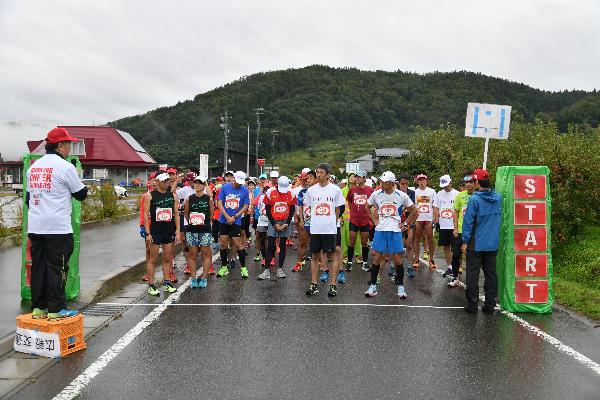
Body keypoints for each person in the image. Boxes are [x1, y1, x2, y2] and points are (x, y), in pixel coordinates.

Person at [26, 128, 89, 320]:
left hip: (36, 227)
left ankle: (39, 308)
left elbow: (28, 198)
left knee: (39, 267)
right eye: (69, 143)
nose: (71, 147)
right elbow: (81, 194)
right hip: (58, 228)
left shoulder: (33, 168)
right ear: (60, 145)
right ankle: (56, 310)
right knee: (58, 268)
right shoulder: (65, 167)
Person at [364, 171, 417, 298]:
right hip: (381, 230)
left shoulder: (401, 195)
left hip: (395, 231)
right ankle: (372, 286)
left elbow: (415, 211)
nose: (381, 184)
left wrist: (406, 224)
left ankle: (400, 287)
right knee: (377, 258)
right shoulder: (376, 194)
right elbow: (367, 207)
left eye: (384, 182)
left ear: (392, 183)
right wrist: (375, 220)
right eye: (381, 182)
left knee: (398, 259)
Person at [461, 169, 502, 314]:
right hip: (492, 243)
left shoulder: (475, 199)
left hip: (476, 242)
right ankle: (490, 305)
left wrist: (464, 241)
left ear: (477, 182)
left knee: (473, 274)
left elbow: (468, 222)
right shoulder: (498, 197)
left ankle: (472, 306)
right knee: (491, 274)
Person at [304, 163, 345, 297]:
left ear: (328, 175)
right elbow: (309, 207)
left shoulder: (335, 190)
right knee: (315, 256)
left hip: (330, 229)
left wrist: (333, 221)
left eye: (321, 172)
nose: (319, 174)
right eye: (317, 172)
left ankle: (333, 285)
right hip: (316, 229)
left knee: (332, 256)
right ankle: (314, 284)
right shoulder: (311, 190)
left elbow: (339, 209)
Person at [143, 173, 181, 296]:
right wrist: (148, 233)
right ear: (157, 182)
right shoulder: (150, 196)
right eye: (164, 181)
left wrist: (178, 231)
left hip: (168, 230)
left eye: (168, 181)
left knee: (167, 257)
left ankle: (167, 282)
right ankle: (151, 285)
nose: (166, 183)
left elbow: (176, 214)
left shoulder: (173, 196)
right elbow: (145, 215)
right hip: (155, 231)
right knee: (153, 258)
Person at [258, 176, 297, 280]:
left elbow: (292, 209)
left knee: (283, 245)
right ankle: (266, 270)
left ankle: (280, 269)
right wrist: (274, 223)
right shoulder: (270, 192)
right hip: (273, 221)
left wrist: (287, 223)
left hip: (285, 221)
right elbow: (267, 209)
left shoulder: (292, 193)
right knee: (270, 245)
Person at [216, 171, 250, 279]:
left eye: (241, 182)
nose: (238, 184)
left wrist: (234, 217)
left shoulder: (245, 190)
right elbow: (219, 202)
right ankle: (224, 267)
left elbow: (245, 206)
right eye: (237, 181)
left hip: (236, 220)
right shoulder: (225, 188)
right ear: (234, 178)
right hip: (223, 219)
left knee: (237, 243)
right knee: (223, 243)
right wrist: (226, 216)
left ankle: (243, 268)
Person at [184, 176, 214, 288]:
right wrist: (194, 221)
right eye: (195, 183)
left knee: (205, 254)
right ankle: (193, 278)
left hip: (205, 229)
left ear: (204, 185)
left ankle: (204, 278)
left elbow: (211, 215)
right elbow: (186, 214)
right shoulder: (189, 198)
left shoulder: (208, 199)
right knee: (192, 254)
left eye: (200, 183)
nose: (197, 185)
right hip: (192, 230)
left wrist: (204, 222)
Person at [449, 173, 475, 287]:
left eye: (471, 182)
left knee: (472, 256)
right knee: (456, 255)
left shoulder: (478, 195)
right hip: (460, 230)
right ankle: (455, 278)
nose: (468, 184)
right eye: (466, 182)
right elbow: (456, 212)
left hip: (474, 231)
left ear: (475, 183)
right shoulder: (460, 196)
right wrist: (455, 227)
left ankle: (472, 281)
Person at [346, 170, 374, 271]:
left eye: (359, 177)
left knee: (364, 242)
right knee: (352, 240)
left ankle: (365, 263)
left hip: (365, 220)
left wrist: (370, 215)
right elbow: (349, 201)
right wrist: (353, 210)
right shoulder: (352, 190)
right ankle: (349, 262)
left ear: (364, 179)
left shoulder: (370, 190)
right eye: (356, 177)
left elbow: (374, 203)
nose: (357, 178)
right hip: (354, 219)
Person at [413, 174, 438, 270]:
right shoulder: (415, 192)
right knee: (416, 239)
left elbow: (434, 205)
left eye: (423, 180)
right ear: (417, 181)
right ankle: (416, 259)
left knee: (430, 239)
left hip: (428, 219)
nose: (422, 182)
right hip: (418, 219)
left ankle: (431, 260)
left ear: (427, 181)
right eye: (420, 180)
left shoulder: (431, 191)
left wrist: (435, 217)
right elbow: (413, 206)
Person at [436, 175, 459, 277]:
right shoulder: (439, 194)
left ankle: (457, 266)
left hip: (454, 225)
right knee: (446, 247)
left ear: (451, 183)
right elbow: (435, 207)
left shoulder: (457, 194)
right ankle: (450, 267)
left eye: (446, 185)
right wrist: (436, 219)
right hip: (443, 225)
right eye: (443, 185)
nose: (445, 187)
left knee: (456, 248)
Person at [397, 173, 417, 277]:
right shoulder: (395, 193)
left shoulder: (411, 193)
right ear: (398, 183)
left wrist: (409, 223)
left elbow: (412, 209)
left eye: (406, 184)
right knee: (397, 245)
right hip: (397, 222)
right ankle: (394, 265)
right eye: (402, 184)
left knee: (409, 244)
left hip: (409, 222)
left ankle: (410, 266)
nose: (404, 186)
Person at [292, 171, 312, 272]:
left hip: (318, 223)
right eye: (306, 179)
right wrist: (301, 221)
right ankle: (299, 263)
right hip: (305, 221)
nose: (307, 181)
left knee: (318, 244)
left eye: (309, 179)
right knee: (303, 242)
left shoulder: (319, 190)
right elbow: (300, 207)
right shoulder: (301, 192)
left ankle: (322, 264)